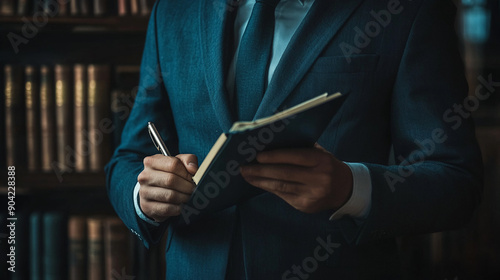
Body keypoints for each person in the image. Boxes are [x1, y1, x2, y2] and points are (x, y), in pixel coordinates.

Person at [105, 0, 483, 279]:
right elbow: (129, 156)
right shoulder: (173, 12)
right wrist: (144, 196)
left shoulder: (406, 13)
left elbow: (456, 181)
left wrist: (351, 188)